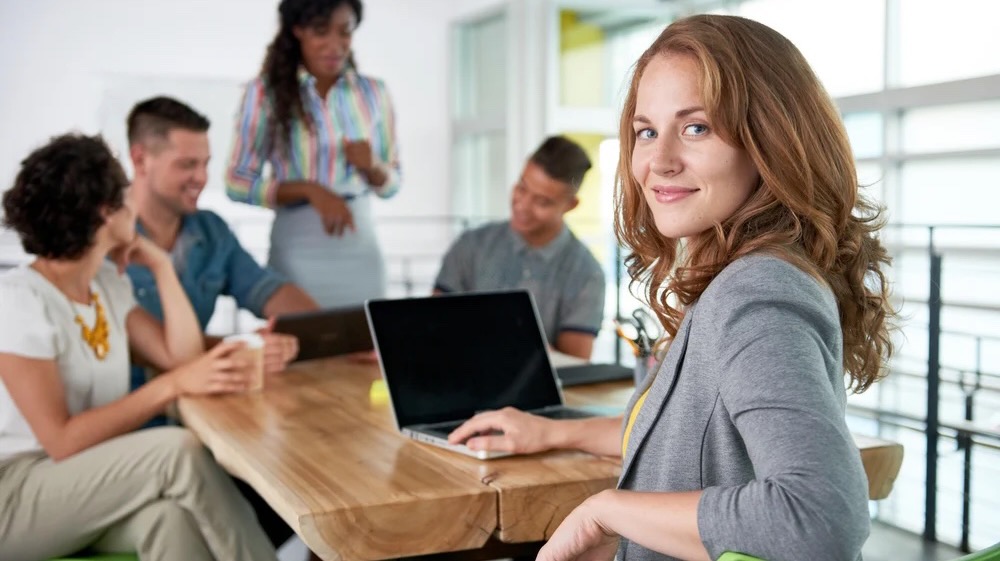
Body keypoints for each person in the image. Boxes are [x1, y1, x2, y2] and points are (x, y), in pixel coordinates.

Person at [449, 14, 895, 561]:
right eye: (646, 131)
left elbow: (821, 516)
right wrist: (549, 432)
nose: (658, 162)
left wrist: (604, 511)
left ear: (769, 141)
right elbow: (677, 435)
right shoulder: (739, 280)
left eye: (696, 127)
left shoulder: (757, 293)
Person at [0, 133, 277, 561]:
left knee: (169, 519)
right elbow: (60, 441)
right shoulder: (19, 299)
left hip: (85, 481)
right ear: (104, 212)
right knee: (178, 450)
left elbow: (180, 358)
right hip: (16, 495)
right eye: (126, 196)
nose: (135, 207)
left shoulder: (107, 285)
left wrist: (163, 268)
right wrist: (171, 386)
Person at [126, 96, 316, 550]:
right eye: (186, 164)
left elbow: (268, 290)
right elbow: (157, 349)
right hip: (138, 430)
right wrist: (243, 346)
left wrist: (316, 328)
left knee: (301, 480)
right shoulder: (110, 240)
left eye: (206, 163)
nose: (201, 178)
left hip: (209, 421)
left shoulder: (209, 231)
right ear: (140, 160)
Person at [226, 0, 401, 308]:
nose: (335, 45)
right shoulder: (265, 93)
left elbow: (393, 184)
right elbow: (236, 182)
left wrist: (374, 166)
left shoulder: (374, 93)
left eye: (345, 32)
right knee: (301, 346)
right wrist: (310, 191)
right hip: (297, 247)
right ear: (298, 31)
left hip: (359, 247)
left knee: (366, 349)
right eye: (321, 32)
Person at [434, 136, 605, 360]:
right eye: (521, 188)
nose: (522, 205)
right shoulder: (471, 245)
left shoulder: (586, 273)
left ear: (570, 206)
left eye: (542, 202)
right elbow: (434, 327)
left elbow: (574, 366)